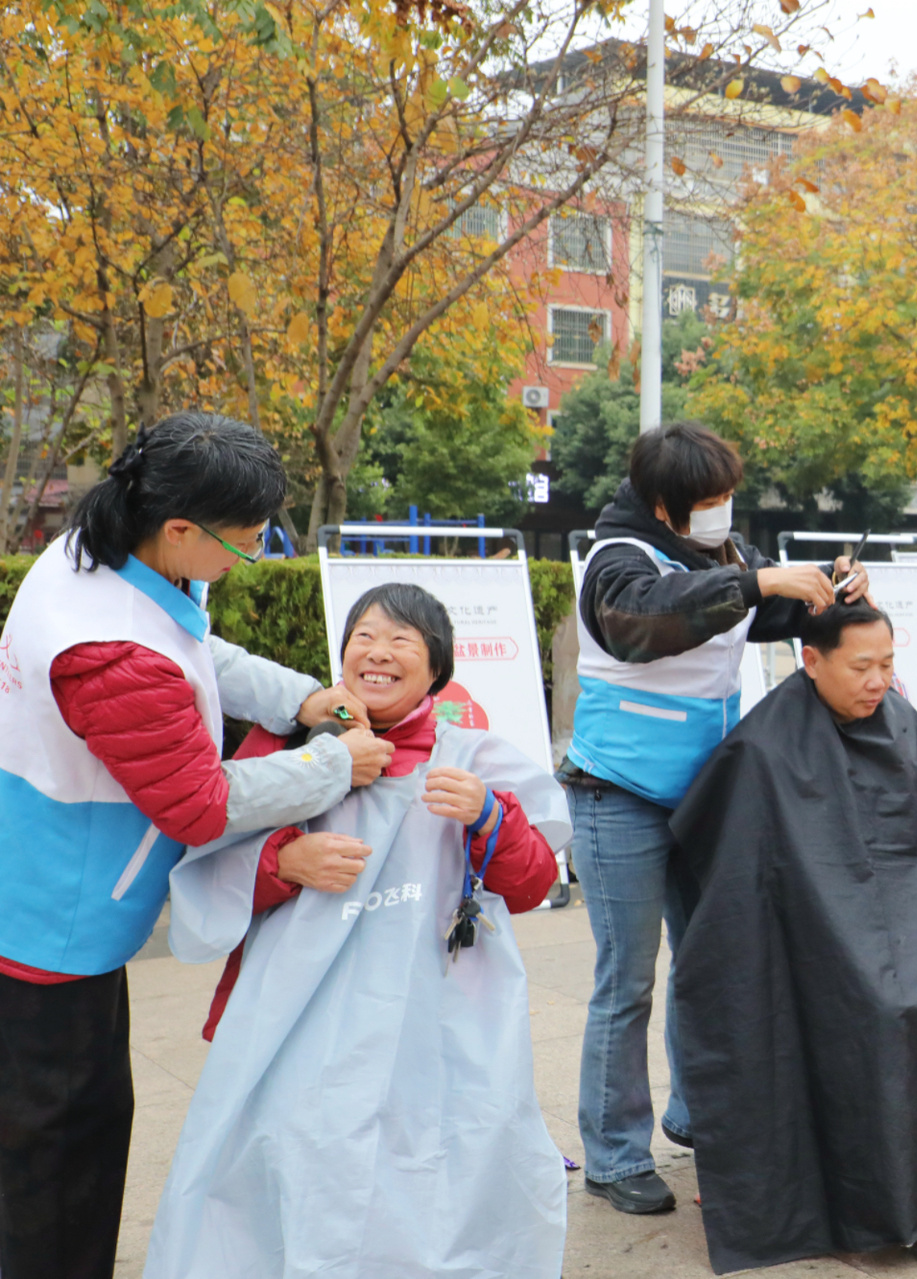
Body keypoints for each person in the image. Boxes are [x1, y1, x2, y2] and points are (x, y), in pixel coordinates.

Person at [0, 413, 391, 1279]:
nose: (249, 558)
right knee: (56, 1153)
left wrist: (303, 699)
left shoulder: (105, 553)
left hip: (66, 896)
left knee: (89, 1120)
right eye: (246, 542)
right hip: (54, 920)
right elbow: (200, 805)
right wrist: (335, 763)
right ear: (182, 528)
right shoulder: (106, 651)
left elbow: (196, 650)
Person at [145, 584, 571, 1276]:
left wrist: (491, 814)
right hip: (299, 1016)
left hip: (440, 1021)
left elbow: (528, 883)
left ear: (438, 666)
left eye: (403, 640)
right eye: (365, 636)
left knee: (436, 1165)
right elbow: (204, 874)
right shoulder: (284, 750)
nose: (379, 652)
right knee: (297, 1155)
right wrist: (283, 859)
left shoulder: (475, 755)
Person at [666, 602, 917, 1271]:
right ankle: (868, 1199)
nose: (877, 680)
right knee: (883, 1005)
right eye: (861, 666)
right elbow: (742, 875)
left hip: (913, 914)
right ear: (811, 660)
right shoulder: (763, 746)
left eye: (887, 664)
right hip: (814, 930)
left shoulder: (900, 720)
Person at [562, 420, 865, 1214]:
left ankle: (701, 1115)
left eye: (728, 498)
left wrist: (824, 591)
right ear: (663, 505)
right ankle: (614, 1153)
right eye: (707, 501)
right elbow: (652, 621)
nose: (721, 513)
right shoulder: (615, 563)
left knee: (712, 964)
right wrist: (763, 585)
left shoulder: (725, 556)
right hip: (617, 793)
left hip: (708, 795)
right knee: (627, 979)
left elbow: (763, 613)